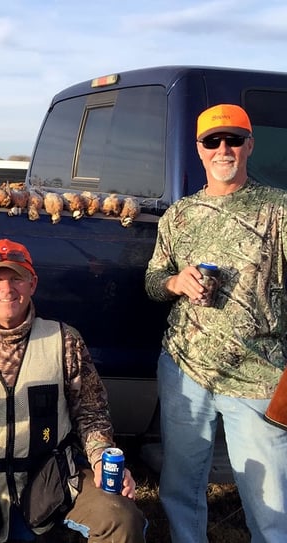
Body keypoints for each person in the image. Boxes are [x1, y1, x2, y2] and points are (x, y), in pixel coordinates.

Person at [0, 238, 146, 543]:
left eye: (17, 277)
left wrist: (100, 458)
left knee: (122, 519)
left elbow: (92, 413)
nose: (7, 288)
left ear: (33, 284)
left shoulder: (64, 339)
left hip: (54, 481)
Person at [145, 104, 287, 543]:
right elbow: (152, 280)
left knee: (270, 505)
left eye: (234, 139)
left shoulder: (278, 209)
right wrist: (174, 281)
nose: (223, 149)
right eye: (212, 141)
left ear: (250, 146)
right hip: (185, 370)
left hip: (257, 376)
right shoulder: (179, 215)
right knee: (180, 489)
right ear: (199, 151)